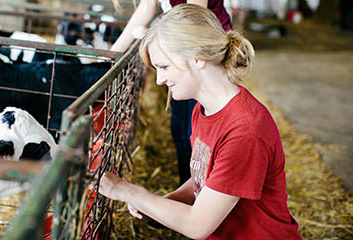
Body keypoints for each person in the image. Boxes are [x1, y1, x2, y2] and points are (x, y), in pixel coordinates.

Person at [99, 4, 302, 239]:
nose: (159, 80)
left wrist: (127, 191)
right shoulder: (203, 109)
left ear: (197, 57)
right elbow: (204, 179)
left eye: (164, 67)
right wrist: (162, 204)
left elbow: (197, 226)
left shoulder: (245, 131)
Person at [112, 0, 232, 186]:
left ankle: (206, 192)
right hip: (179, 48)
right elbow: (147, 7)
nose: (159, 80)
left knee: (200, 131)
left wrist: (157, 36)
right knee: (181, 127)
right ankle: (190, 187)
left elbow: (194, 17)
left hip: (202, 51)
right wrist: (110, 57)